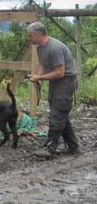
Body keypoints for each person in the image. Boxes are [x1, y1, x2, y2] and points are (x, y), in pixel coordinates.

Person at [27, 22, 79, 157]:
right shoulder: (40, 48)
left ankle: (50, 148)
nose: (29, 38)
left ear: (38, 35)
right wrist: (38, 77)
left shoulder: (54, 48)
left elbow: (60, 72)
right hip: (56, 82)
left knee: (57, 114)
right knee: (60, 113)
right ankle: (72, 145)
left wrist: (40, 78)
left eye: (30, 35)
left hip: (66, 81)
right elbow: (43, 66)